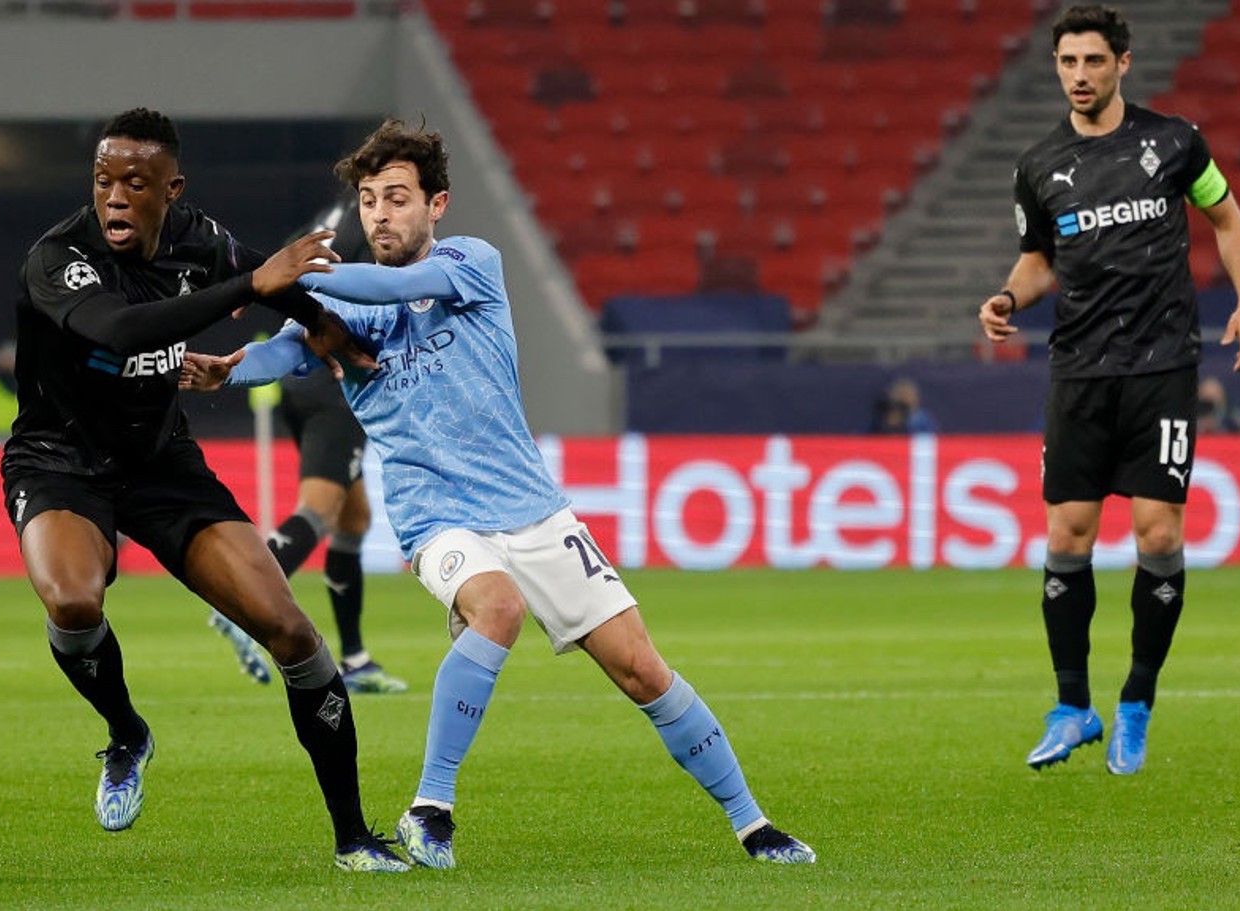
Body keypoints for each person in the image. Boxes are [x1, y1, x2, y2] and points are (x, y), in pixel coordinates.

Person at [183, 118, 814, 866]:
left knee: (642, 667)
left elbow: (395, 283)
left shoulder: (469, 262)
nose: (379, 214)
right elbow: (286, 348)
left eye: (396, 198)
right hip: (437, 518)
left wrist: (280, 274)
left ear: (437, 205)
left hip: (534, 509)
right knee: (500, 607)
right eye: (367, 200)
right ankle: (430, 808)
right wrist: (232, 366)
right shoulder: (342, 313)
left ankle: (753, 822)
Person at [0, 107, 408, 872]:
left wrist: (320, 324)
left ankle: (354, 837)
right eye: (103, 180)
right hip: (59, 461)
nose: (114, 197)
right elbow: (120, 331)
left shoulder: (199, 239)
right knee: (73, 599)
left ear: (170, 189)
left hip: (162, 464)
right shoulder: (58, 259)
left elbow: (275, 280)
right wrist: (252, 285)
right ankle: (127, 734)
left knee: (290, 631)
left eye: (134, 183)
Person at [978, 6, 1240, 775]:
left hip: (1162, 365)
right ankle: (1074, 707)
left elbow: (1229, 221)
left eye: (1093, 62)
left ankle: (1137, 697)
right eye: (1067, 62)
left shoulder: (1174, 142)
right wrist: (1008, 297)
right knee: (1068, 534)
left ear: (1123, 64)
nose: (1079, 76)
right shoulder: (1039, 165)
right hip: (1079, 369)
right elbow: (1040, 258)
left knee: (1157, 536)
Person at [207, 367, 410, 694]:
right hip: (339, 389)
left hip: (302, 384)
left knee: (353, 518)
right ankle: (239, 596)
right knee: (319, 508)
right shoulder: (374, 313)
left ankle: (356, 661)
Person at [869, 376, 938, 434]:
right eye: (900, 394)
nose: (904, 398)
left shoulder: (923, 419)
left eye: (908, 394)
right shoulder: (881, 417)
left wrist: (903, 422)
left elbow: (927, 440)